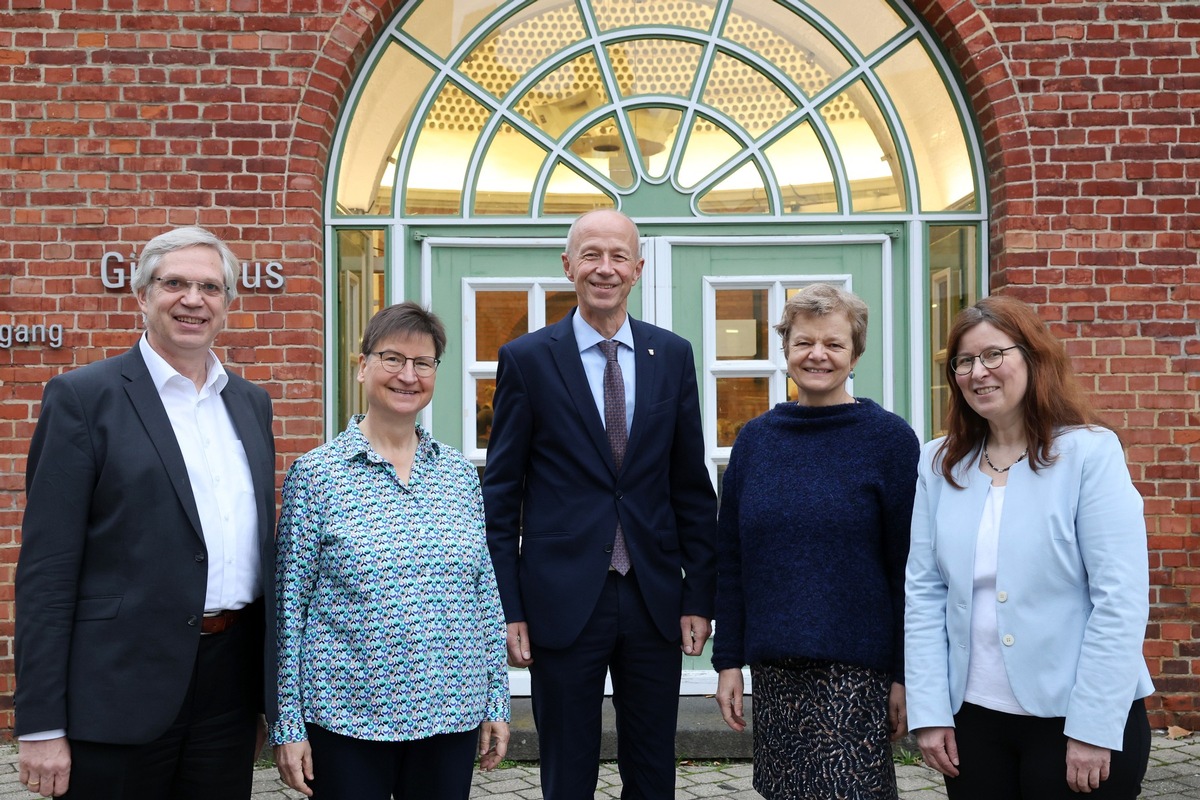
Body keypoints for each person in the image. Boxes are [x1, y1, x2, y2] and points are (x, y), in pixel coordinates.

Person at [15, 226, 277, 798]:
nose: (193, 300)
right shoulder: (84, 399)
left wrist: (264, 701)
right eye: (174, 283)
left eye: (210, 287)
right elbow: (47, 572)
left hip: (227, 690)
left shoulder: (251, 403)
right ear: (142, 296)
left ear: (227, 304)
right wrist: (39, 723)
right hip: (117, 692)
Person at [483, 209, 717, 799]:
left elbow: (690, 488)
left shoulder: (673, 355)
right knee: (566, 766)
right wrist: (508, 609)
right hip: (561, 601)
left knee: (652, 765)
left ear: (638, 268)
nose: (604, 268)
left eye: (617, 256)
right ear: (568, 266)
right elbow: (501, 498)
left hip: (653, 597)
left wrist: (698, 595)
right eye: (590, 255)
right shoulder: (527, 360)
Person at [905, 295, 1154, 799]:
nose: (979, 372)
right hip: (972, 721)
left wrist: (1093, 726)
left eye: (994, 354)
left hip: (1075, 719)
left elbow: (1120, 599)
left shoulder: (1089, 453)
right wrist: (929, 711)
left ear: (1034, 359)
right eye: (965, 361)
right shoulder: (939, 462)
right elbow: (924, 593)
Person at [270, 302, 510, 800]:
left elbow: (483, 592)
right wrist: (288, 723)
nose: (408, 375)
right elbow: (289, 609)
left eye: (423, 363)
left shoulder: (460, 476)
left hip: (450, 710)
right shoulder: (317, 476)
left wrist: (496, 701)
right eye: (392, 359)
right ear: (362, 367)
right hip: (347, 715)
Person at [712, 283, 919, 799]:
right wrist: (728, 661)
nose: (818, 355)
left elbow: (909, 569)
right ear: (785, 350)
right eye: (804, 342)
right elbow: (732, 560)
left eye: (834, 344)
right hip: (776, 670)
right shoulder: (755, 441)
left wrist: (903, 673)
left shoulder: (889, 440)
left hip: (857, 670)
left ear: (855, 354)